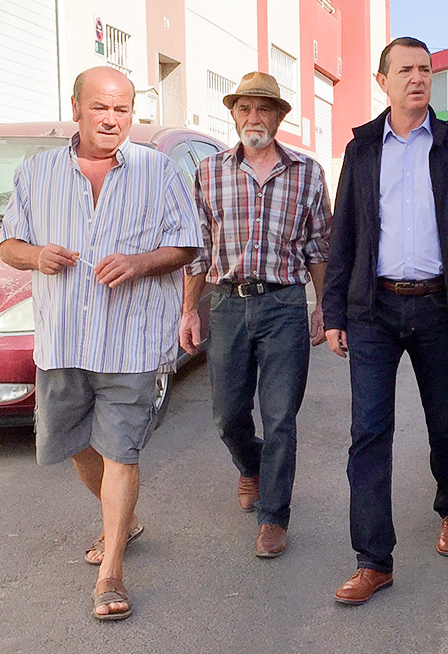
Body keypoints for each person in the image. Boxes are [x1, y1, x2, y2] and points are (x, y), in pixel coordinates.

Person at [0, 66, 200, 620]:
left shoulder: (159, 172)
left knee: (120, 450)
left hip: (130, 342)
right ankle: (125, 521)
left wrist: (139, 262)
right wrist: (35, 255)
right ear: (77, 107)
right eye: (100, 108)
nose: (111, 120)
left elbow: (188, 245)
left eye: (122, 110)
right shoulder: (37, 172)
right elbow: (8, 243)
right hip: (63, 338)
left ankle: (112, 571)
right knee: (75, 446)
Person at [323, 37, 448, 605]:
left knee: (447, 421)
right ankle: (373, 560)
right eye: (405, 70)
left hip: (438, 307)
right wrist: (334, 312)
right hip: (372, 308)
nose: (417, 78)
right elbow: (344, 233)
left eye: (425, 69)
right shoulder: (363, 149)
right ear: (384, 81)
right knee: (369, 433)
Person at [180, 71, 331, 559]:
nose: (253, 117)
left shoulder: (307, 173)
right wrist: (189, 311)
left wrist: (324, 306)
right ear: (234, 114)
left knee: (281, 415)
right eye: (245, 108)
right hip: (227, 303)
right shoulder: (209, 172)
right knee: (227, 415)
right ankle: (252, 466)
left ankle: (273, 517)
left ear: (280, 116)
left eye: (263, 108)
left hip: (285, 303)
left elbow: (319, 247)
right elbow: (199, 250)